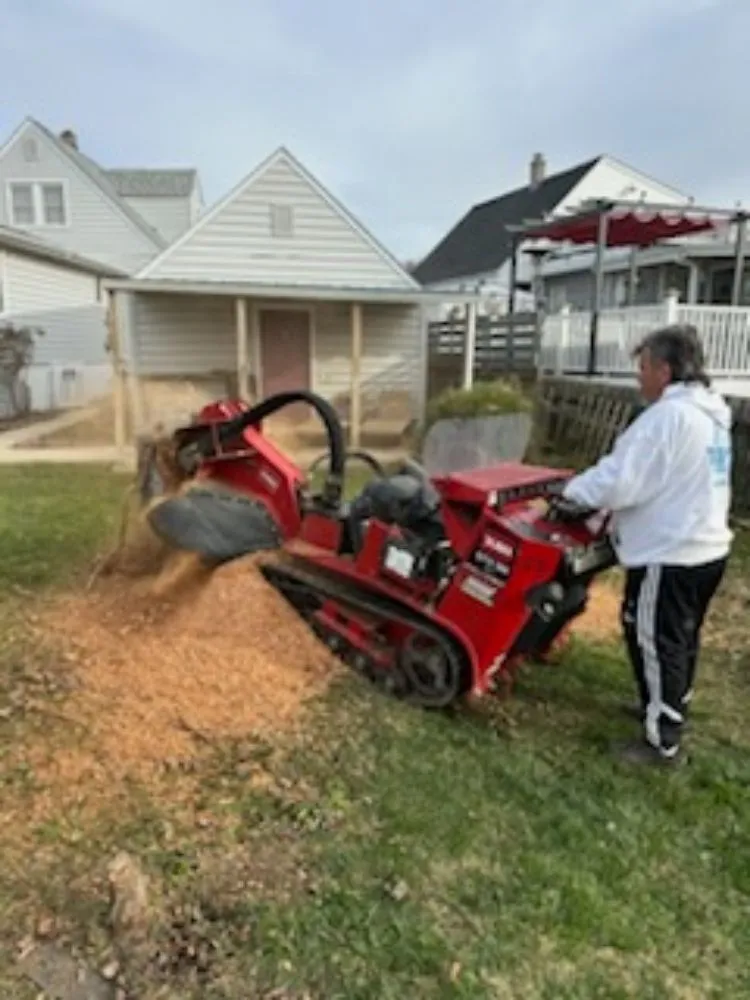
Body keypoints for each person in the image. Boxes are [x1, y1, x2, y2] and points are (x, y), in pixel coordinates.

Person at [559, 323, 733, 767]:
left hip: (671, 552)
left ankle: (662, 742)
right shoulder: (711, 413)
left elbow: (622, 480)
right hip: (706, 547)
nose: (639, 376)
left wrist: (573, 493)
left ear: (665, 369)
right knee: (680, 636)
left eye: (643, 367)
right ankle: (669, 704)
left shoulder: (667, 418)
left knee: (655, 639)